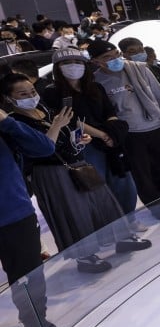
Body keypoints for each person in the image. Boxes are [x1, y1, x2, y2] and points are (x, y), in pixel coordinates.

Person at [1, 72, 151, 274]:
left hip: (76, 162)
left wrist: (79, 139)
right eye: (22, 94)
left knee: (102, 203)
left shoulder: (44, 109)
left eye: (32, 91)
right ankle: (86, 256)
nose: (30, 96)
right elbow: (41, 148)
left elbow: (65, 133)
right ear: (8, 98)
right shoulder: (15, 123)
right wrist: (56, 126)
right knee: (72, 212)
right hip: (50, 172)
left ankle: (121, 238)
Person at [89, 39, 160, 220]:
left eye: (116, 55)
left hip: (156, 126)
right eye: (107, 57)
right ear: (96, 61)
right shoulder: (96, 81)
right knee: (144, 174)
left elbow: (159, 94)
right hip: (130, 134)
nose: (114, 59)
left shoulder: (138, 68)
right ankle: (157, 207)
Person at [42, 48, 137, 216]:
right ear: (58, 67)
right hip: (84, 143)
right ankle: (111, 225)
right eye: (67, 63)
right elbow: (69, 119)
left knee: (122, 180)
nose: (74, 66)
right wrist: (102, 135)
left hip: (109, 141)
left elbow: (110, 112)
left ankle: (129, 218)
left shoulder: (95, 87)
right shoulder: (52, 91)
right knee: (97, 185)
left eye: (78, 62)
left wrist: (111, 134)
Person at [0, 103, 58, 327]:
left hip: (15, 211)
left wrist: (7, 122)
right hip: (14, 209)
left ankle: (35, 318)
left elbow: (44, 148)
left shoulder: (5, 125)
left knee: (28, 271)